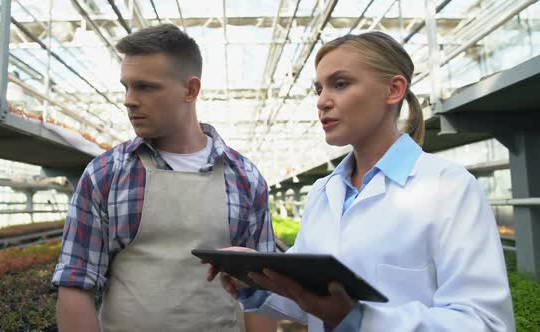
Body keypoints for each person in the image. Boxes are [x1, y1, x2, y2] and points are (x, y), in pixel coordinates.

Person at [207, 31, 515, 331]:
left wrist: (359, 319)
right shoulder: (323, 192)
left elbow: (485, 322)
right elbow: (310, 301)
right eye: (319, 90)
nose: (322, 101)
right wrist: (256, 281)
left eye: (340, 84)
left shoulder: (449, 187)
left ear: (393, 90)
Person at [52, 24, 276, 332]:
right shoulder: (106, 174)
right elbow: (75, 285)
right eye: (126, 86)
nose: (129, 99)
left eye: (145, 87)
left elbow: (261, 290)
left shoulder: (245, 178)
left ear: (190, 90)